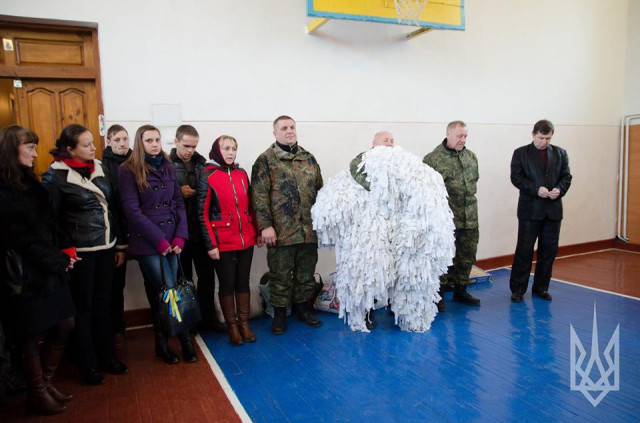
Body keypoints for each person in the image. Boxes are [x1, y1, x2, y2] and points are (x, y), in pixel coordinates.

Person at [42, 124, 128, 386]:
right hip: (80, 253)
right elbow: (51, 219)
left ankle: (107, 356)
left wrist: (119, 245)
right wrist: (64, 248)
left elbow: (112, 207)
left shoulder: (99, 167)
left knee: (104, 304)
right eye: (86, 145)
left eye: (93, 142)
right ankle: (87, 364)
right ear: (70, 149)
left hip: (105, 247)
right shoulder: (56, 176)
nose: (93, 148)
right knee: (84, 308)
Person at [0, 126, 77, 414]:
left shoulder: (30, 182)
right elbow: (20, 238)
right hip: (23, 275)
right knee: (29, 333)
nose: (35, 154)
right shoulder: (4, 190)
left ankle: (46, 382)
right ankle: (37, 392)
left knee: (66, 322)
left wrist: (65, 253)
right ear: (11, 151)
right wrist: (57, 260)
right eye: (30, 148)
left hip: (48, 267)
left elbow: (50, 224)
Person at [118, 125, 195, 363]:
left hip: (172, 238)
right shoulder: (127, 169)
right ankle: (170, 342)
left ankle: (178, 339)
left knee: (172, 289)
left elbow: (178, 203)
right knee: (165, 290)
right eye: (149, 140)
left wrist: (180, 236)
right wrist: (159, 241)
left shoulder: (167, 165)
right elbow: (132, 211)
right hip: (149, 241)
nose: (154, 144)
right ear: (140, 143)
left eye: (157, 140)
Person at [251, 115, 324, 335]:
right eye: (284, 128)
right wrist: (265, 226)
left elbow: (320, 190)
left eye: (292, 127)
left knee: (306, 273)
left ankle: (302, 309)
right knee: (280, 276)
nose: (289, 131)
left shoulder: (308, 158)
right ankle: (280, 314)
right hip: (281, 231)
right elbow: (259, 196)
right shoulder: (265, 160)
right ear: (275, 133)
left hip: (308, 230)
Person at [198, 135, 260, 345]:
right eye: (226, 148)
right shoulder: (208, 175)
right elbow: (202, 214)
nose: (231, 152)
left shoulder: (241, 174)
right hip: (222, 240)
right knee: (227, 284)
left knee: (243, 282)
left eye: (234, 148)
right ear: (218, 150)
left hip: (245, 238)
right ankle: (232, 327)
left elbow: (251, 205)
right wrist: (211, 244)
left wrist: (257, 231)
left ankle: (244, 324)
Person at [509, 119, 572, 302]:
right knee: (524, 250)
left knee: (549, 251)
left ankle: (541, 288)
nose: (544, 142)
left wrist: (559, 189)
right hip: (530, 210)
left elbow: (567, 177)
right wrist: (536, 189)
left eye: (548, 138)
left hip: (553, 211)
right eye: (541, 138)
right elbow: (516, 178)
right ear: (533, 134)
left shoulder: (561, 153)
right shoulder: (520, 153)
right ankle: (518, 289)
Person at [170, 125, 225, 332]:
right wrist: (178, 192)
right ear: (176, 141)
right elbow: (156, 197)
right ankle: (188, 323)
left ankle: (208, 319)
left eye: (194, 146)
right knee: (183, 280)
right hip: (179, 233)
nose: (190, 150)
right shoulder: (166, 165)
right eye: (186, 146)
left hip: (202, 231)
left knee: (207, 278)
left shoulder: (202, 165)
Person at [423, 120, 481, 310]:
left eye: (465, 136)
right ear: (448, 134)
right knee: (441, 256)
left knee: (467, 254)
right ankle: (437, 294)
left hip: (469, 215)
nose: (463, 139)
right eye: (459, 136)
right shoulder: (433, 159)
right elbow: (426, 191)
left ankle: (461, 290)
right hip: (445, 218)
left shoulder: (471, 157)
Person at [349, 130, 396, 329]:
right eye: (386, 140)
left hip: (393, 224)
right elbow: (367, 183)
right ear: (374, 143)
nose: (390, 144)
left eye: (392, 141)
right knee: (370, 269)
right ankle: (368, 310)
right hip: (370, 226)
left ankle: (396, 305)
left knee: (395, 267)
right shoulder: (361, 161)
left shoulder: (400, 161)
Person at [102, 124, 131, 349]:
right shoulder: (102, 167)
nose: (122, 143)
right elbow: (111, 207)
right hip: (115, 235)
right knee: (113, 286)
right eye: (117, 140)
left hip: (138, 230)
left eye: (125, 139)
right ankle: (114, 329)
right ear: (109, 142)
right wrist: (120, 243)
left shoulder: (136, 162)